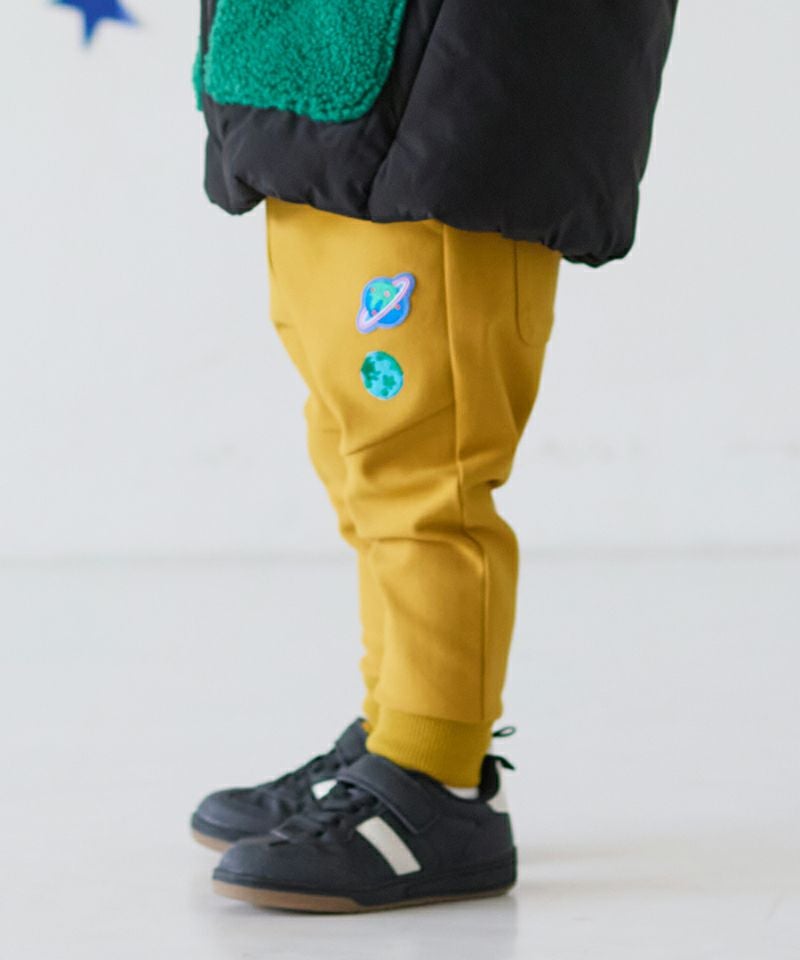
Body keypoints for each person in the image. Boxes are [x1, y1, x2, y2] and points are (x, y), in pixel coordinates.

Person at [189, 0, 678, 913]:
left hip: (453, 86)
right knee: (351, 445)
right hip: (330, 76)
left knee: (422, 460)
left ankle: (437, 778)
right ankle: (394, 733)